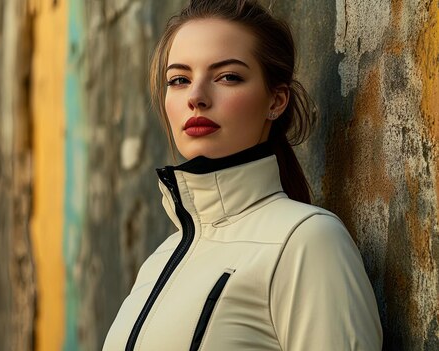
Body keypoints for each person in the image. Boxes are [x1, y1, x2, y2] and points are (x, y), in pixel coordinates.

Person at [103, 0, 382, 350]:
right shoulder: (159, 260)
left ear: (276, 101)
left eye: (228, 77)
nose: (197, 97)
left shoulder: (306, 240)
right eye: (179, 79)